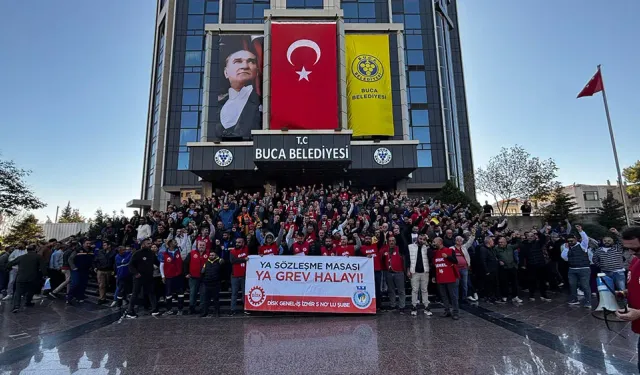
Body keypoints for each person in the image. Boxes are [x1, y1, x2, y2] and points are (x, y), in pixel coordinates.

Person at [216, 36, 262, 139]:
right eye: (238, 61)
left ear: (257, 71)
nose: (245, 66)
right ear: (226, 72)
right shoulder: (216, 106)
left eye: (251, 61)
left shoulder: (264, 104)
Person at [615, 227, 640, 373]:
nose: (631, 253)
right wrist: (625, 292)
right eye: (627, 249)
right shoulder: (636, 261)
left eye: (635, 249)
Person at [6, 245, 46, 313]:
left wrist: (9, 269)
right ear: (35, 249)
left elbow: (9, 264)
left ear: (27, 250)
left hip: (20, 277)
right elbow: (43, 268)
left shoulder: (21, 257)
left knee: (18, 292)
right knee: (31, 290)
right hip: (33, 277)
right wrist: (45, 275)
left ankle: (16, 306)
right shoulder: (38, 257)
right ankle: (28, 302)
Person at [127, 239, 159, 318]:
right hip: (139, 277)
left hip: (149, 276)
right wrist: (136, 273)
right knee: (135, 293)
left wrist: (157, 266)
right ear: (143, 244)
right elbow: (131, 265)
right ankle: (130, 311)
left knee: (151, 292)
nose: (150, 245)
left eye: (150, 243)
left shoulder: (151, 253)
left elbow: (157, 262)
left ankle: (154, 309)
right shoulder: (137, 253)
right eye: (148, 243)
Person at [561, 225, 592, 309]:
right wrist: (567, 249)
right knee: (572, 285)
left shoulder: (582, 246)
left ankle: (588, 301)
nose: (570, 242)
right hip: (572, 269)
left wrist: (581, 231)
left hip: (584, 269)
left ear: (575, 239)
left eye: (572, 240)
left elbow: (586, 239)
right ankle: (574, 299)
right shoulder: (567, 247)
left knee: (585, 285)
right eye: (569, 241)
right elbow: (564, 258)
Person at [520, 227, 552, 302]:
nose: (530, 238)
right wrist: (522, 264)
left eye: (532, 236)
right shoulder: (524, 245)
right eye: (528, 236)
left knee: (542, 281)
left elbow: (543, 238)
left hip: (541, 264)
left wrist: (538, 231)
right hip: (531, 265)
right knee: (531, 281)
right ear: (526, 237)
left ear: (534, 237)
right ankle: (531, 295)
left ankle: (544, 295)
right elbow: (521, 256)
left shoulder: (538, 243)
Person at [432, 237, 460, 319]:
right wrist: (434, 276)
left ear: (440, 242)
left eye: (435, 242)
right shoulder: (435, 252)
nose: (433, 243)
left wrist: (447, 257)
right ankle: (447, 310)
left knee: (453, 296)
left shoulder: (450, 250)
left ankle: (455, 312)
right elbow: (434, 265)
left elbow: (455, 261)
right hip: (440, 277)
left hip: (450, 277)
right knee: (443, 296)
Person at [407, 234, 432, 316]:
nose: (421, 240)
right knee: (414, 290)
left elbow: (431, 257)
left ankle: (426, 306)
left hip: (425, 271)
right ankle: (414, 306)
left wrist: (427, 245)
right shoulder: (410, 246)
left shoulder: (427, 247)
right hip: (414, 272)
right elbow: (407, 259)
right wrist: (408, 270)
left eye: (423, 239)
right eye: (420, 238)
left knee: (424, 290)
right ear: (417, 239)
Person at [184, 241, 210, 315]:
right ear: (197, 246)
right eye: (200, 245)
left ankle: (202, 309)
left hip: (204, 278)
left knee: (203, 294)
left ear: (205, 246)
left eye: (203, 245)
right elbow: (185, 263)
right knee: (193, 294)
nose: (201, 246)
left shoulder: (209, 253)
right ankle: (191, 308)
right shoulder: (192, 253)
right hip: (193, 277)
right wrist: (186, 273)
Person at [160, 239, 185, 315]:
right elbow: (161, 265)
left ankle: (180, 309)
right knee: (168, 293)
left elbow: (184, 243)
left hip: (178, 275)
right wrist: (163, 276)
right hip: (169, 276)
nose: (176, 243)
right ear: (170, 244)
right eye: (174, 242)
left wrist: (185, 235)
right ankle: (169, 310)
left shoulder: (179, 250)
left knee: (180, 293)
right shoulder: (164, 253)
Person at [495, 236, 522, 303]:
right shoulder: (496, 248)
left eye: (502, 242)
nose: (500, 243)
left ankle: (515, 296)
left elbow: (519, 244)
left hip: (512, 267)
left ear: (505, 242)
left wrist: (516, 237)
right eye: (499, 242)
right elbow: (494, 257)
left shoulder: (510, 247)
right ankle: (504, 296)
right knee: (504, 283)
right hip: (503, 268)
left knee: (514, 283)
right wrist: (498, 261)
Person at [382, 237, 406, 312]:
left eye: (393, 241)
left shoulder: (399, 249)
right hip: (389, 272)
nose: (391, 242)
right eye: (390, 241)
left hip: (399, 272)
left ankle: (402, 306)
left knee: (401, 290)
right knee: (391, 290)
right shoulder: (385, 249)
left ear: (395, 241)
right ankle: (393, 305)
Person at [67, 240, 94, 305]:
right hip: (77, 270)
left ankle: (80, 297)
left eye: (89, 243)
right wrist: (73, 267)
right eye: (87, 243)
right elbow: (70, 259)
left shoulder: (91, 251)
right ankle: (69, 298)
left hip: (86, 270)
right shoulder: (78, 250)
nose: (88, 244)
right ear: (83, 244)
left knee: (83, 284)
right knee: (75, 283)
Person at [452, 230, 476, 302]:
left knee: (464, 284)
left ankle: (464, 298)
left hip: (464, 268)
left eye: (460, 240)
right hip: (456, 269)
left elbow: (470, 241)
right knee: (456, 284)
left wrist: (473, 234)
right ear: (455, 241)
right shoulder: (451, 248)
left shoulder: (464, 247)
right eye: (458, 240)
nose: (459, 241)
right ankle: (456, 298)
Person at [201, 251, 224, 317]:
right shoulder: (206, 263)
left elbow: (223, 269)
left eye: (213, 255)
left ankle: (217, 312)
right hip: (207, 283)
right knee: (206, 300)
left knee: (216, 299)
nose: (211, 256)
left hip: (216, 283)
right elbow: (202, 272)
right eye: (210, 255)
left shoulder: (219, 262)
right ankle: (205, 312)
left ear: (216, 256)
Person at [477, 237, 500, 303]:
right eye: (492, 241)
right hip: (489, 271)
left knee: (494, 284)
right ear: (489, 242)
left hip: (494, 270)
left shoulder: (491, 249)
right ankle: (489, 297)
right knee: (489, 285)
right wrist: (486, 271)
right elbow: (483, 261)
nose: (493, 242)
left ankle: (493, 297)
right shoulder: (483, 249)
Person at [229, 237, 249, 315]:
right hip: (235, 275)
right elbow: (233, 261)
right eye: (236, 242)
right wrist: (244, 259)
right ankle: (233, 309)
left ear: (243, 243)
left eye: (239, 242)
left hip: (244, 275)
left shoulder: (247, 249)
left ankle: (246, 308)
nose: (237, 244)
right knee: (234, 293)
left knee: (245, 293)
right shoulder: (232, 251)